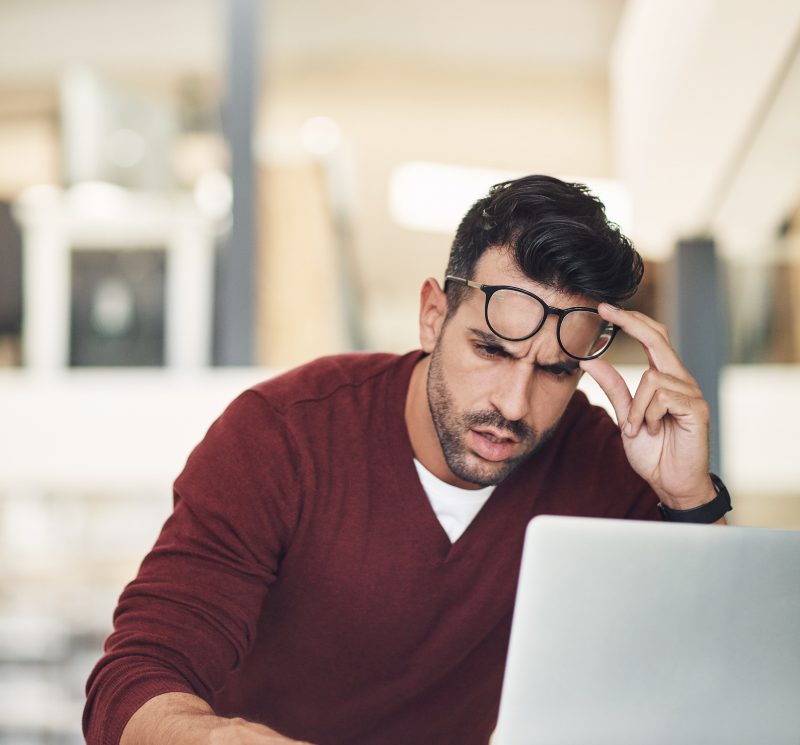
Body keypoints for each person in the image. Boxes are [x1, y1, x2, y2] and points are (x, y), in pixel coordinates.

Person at [84, 176, 729, 745]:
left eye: (556, 372)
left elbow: (724, 678)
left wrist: (687, 496)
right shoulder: (281, 436)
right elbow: (130, 687)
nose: (513, 404)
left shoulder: (601, 463)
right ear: (431, 316)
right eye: (491, 350)